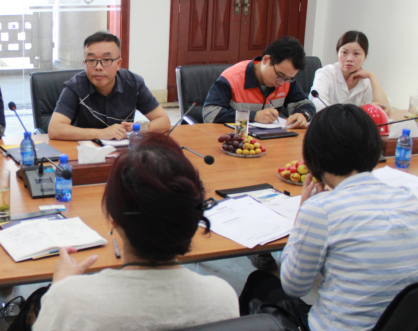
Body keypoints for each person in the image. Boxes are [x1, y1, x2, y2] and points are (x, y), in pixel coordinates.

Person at [32, 133, 239, 331]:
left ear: (113, 219)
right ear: (193, 217)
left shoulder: (70, 302)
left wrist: (60, 287)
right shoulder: (222, 298)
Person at [239, 104, 418, 331]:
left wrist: (302, 213)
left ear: (313, 156)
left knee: (261, 283)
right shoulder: (409, 198)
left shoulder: (320, 210)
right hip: (396, 324)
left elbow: (293, 286)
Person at [47, 32, 170, 141]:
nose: (98, 67)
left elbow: (164, 121)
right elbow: (54, 129)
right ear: (85, 63)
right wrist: (101, 133)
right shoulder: (75, 87)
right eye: (91, 60)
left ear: (118, 64)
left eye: (106, 60)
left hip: (123, 151)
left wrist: (140, 128)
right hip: (85, 152)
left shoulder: (133, 84)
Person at [203, 36, 315, 128]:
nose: (281, 83)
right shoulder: (232, 78)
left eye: (288, 78)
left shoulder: (286, 81)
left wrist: (303, 115)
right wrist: (253, 116)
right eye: (279, 75)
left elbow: (306, 104)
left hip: (271, 140)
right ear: (266, 60)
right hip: (235, 140)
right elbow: (210, 114)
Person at [310, 30, 391, 113]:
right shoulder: (325, 73)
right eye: (344, 52)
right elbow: (319, 108)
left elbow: (384, 110)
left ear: (365, 57)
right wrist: (363, 109)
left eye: (356, 53)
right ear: (338, 53)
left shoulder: (365, 79)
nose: (349, 59)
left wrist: (371, 76)